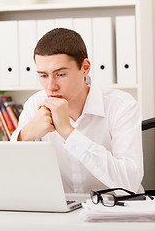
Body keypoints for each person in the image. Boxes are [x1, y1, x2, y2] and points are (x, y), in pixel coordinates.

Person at [10, 28, 143, 194]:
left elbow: (129, 181)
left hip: (117, 210)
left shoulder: (121, 106)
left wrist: (68, 132)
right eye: (43, 76)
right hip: (61, 213)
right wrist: (24, 135)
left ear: (85, 68)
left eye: (60, 74)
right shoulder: (34, 105)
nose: (51, 86)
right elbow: (15, 181)